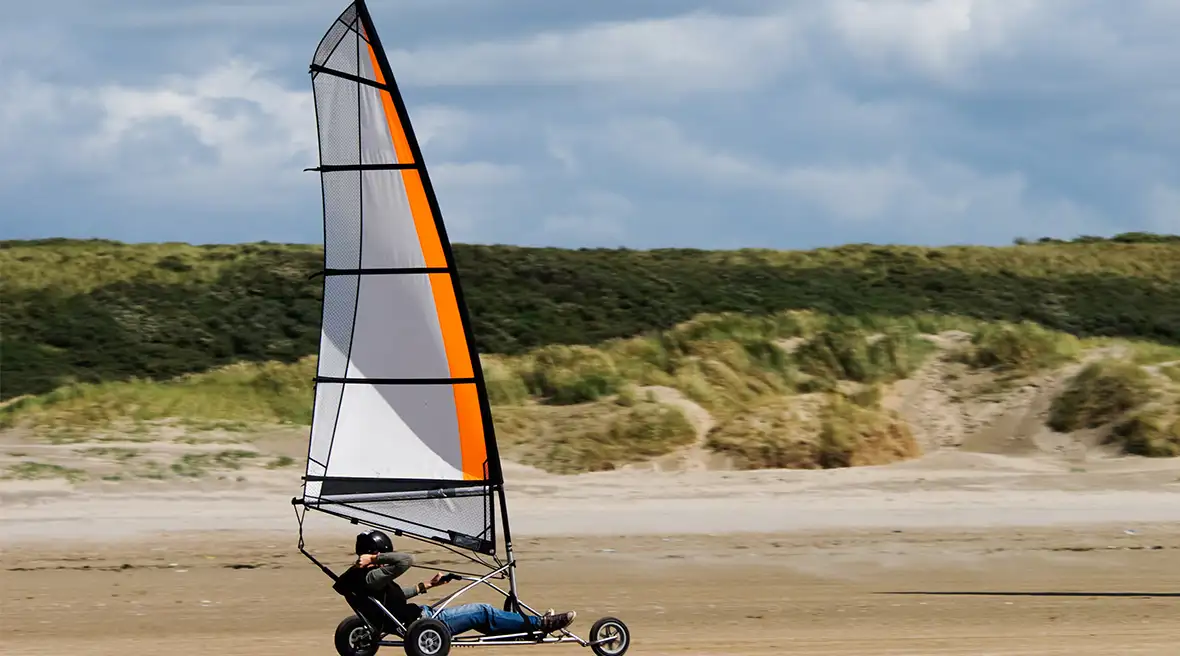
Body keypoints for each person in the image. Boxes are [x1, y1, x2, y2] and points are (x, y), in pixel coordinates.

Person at [353, 529, 577, 637]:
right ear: (374, 554)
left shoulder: (361, 578)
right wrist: (375, 560)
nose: (386, 560)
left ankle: (522, 627)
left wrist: (427, 585)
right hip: (426, 623)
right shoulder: (372, 576)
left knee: (483, 619)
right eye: (383, 555)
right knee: (482, 611)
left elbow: (393, 598)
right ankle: (541, 623)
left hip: (420, 617)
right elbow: (406, 560)